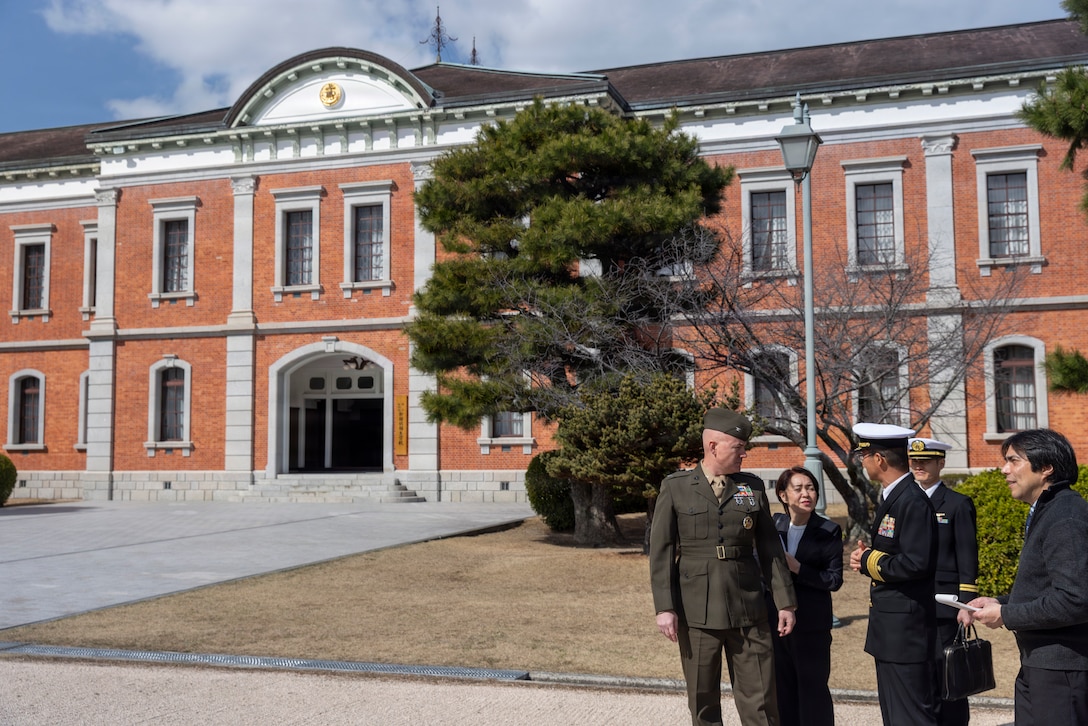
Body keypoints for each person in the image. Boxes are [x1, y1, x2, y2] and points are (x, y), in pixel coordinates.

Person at [649, 408, 798, 726]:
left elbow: (771, 548)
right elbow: (661, 552)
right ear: (713, 446)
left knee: (761, 701)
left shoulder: (752, 487)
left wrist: (785, 601)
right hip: (696, 610)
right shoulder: (676, 487)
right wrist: (665, 608)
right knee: (703, 701)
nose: (745, 453)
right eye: (738, 447)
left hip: (748, 608)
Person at [958, 428, 1088, 726]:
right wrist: (998, 602)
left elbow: (1075, 599)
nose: (1004, 469)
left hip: (1061, 672)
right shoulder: (1049, 510)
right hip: (1040, 664)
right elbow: (1048, 588)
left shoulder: (1065, 517)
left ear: (1046, 468)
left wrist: (1006, 613)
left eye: (1014, 460)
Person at [849, 422, 939, 726]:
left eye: (863, 455)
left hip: (906, 631)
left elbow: (916, 563)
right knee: (895, 715)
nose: (861, 462)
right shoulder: (894, 496)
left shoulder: (911, 500)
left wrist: (868, 560)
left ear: (879, 459)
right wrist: (871, 558)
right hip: (892, 628)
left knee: (911, 716)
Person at [908, 437, 978, 726]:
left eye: (926, 461)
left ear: (941, 463)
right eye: (914, 461)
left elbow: (967, 555)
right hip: (913, 605)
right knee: (919, 676)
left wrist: (967, 604)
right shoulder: (904, 502)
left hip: (945, 606)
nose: (919, 466)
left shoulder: (957, 504)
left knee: (949, 678)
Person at [767, 466, 843, 726]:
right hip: (776, 623)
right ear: (783, 495)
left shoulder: (828, 530)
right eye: (798, 489)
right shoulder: (772, 525)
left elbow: (834, 580)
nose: (806, 494)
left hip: (812, 624)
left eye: (810, 488)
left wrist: (797, 567)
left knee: (813, 690)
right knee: (782, 688)